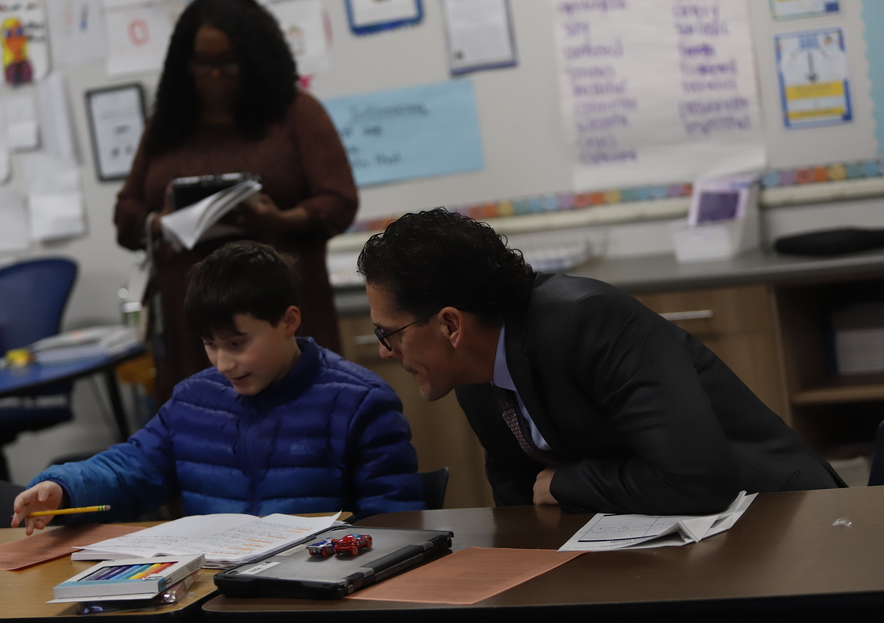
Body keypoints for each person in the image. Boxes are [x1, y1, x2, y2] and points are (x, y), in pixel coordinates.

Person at [357, 208, 845, 516]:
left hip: (778, 514)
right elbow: (520, 497)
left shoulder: (587, 321)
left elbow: (695, 481)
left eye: (389, 332)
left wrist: (567, 482)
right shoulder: (472, 373)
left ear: (450, 325)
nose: (384, 351)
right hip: (658, 535)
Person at [12, 241, 424, 535]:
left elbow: (393, 527)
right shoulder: (193, 401)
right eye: (210, 344)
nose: (224, 363)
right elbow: (131, 469)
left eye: (237, 344)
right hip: (211, 595)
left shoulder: (361, 403)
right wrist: (63, 489)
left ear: (289, 321)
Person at [114, 0, 357, 407]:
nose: (214, 76)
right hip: (193, 326)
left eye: (228, 63)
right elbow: (126, 215)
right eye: (202, 64)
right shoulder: (167, 126)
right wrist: (160, 222)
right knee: (206, 444)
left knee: (304, 435)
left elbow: (338, 202)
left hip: (278, 318)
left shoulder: (296, 114)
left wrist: (279, 219)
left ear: (256, 60)